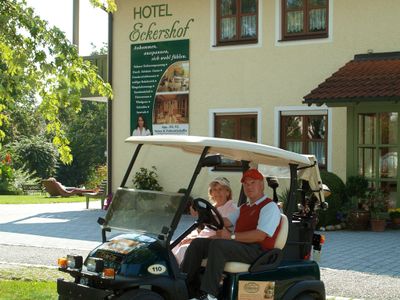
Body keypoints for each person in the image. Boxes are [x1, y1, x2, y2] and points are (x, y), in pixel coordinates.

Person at [181, 169, 282, 300]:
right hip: (242, 246)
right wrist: (205, 215)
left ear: (261, 185)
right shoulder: (245, 207)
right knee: (198, 243)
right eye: (246, 184)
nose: (249, 186)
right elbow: (226, 221)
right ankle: (186, 287)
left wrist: (230, 237)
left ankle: (210, 295)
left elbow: (260, 235)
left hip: (259, 251)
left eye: (253, 183)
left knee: (219, 245)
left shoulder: (269, 207)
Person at [172, 177, 237, 265]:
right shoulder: (211, 207)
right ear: (211, 193)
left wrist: (195, 240)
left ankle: (181, 275)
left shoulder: (233, 209)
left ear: (227, 192)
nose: (217, 192)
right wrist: (190, 237)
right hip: (202, 238)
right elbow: (201, 227)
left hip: (215, 242)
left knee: (184, 249)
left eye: (220, 189)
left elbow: (227, 233)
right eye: (214, 190)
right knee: (173, 244)